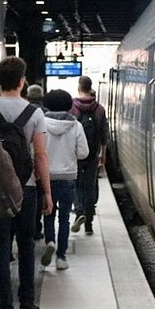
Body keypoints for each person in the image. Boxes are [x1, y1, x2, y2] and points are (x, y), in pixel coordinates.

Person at [0, 57, 53, 309]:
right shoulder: (35, 114)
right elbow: (41, 156)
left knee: (0, 249)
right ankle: (27, 303)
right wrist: (47, 192)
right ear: (22, 82)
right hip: (26, 188)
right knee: (26, 246)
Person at [40, 89, 88, 271]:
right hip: (68, 177)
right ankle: (61, 257)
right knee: (65, 218)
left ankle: (50, 241)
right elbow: (83, 153)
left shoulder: (41, 123)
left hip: (47, 177)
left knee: (48, 214)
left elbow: (35, 150)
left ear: (47, 104)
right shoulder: (76, 125)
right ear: (69, 105)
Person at [70, 76, 107, 235]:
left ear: (79, 88)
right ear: (90, 88)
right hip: (92, 154)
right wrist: (102, 154)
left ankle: (79, 211)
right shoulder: (99, 109)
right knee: (90, 187)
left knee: (76, 184)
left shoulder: (72, 107)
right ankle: (89, 224)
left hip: (75, 154)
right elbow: (104, 135)